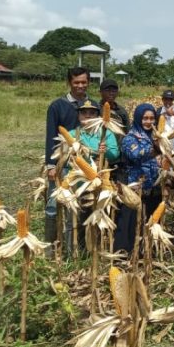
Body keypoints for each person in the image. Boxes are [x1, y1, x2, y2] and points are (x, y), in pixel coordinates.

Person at [44, 67, 91, 254]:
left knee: (76, 207)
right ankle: (50, 250)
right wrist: (51, 165)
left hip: (83, 165)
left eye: (84, 82)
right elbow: (50, 136)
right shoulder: (57, 106)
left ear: (88, 83)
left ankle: (73, 249)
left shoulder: (91, 105)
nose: (80, 85)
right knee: (53, 205)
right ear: (69, 82)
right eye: (76, 82)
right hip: (61, 162)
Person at [66, 100, 121, 252]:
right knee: (78, 218)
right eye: (84, 113)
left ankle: (96, 250)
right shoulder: (72, 135)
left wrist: (105, 151)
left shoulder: (106, 133)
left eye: (92, 113)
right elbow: (64, 159)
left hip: (100, 182)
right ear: (79, 116)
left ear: (98, 115)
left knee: (97, 216)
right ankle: (76, 252)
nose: (88, 116)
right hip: (79, 182)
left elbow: (115, 154)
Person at [116, 103, 161, 253]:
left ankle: (146, 253)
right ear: (137, 118)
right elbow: (136, 155)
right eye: (145, 118)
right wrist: (155, 149)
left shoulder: (156, 136)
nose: (149, 122)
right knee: (131, 223)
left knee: (147, 222)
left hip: (152, 188)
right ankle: (125, 254)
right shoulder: (130, 138)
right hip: (134, 188)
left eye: (152, 118)